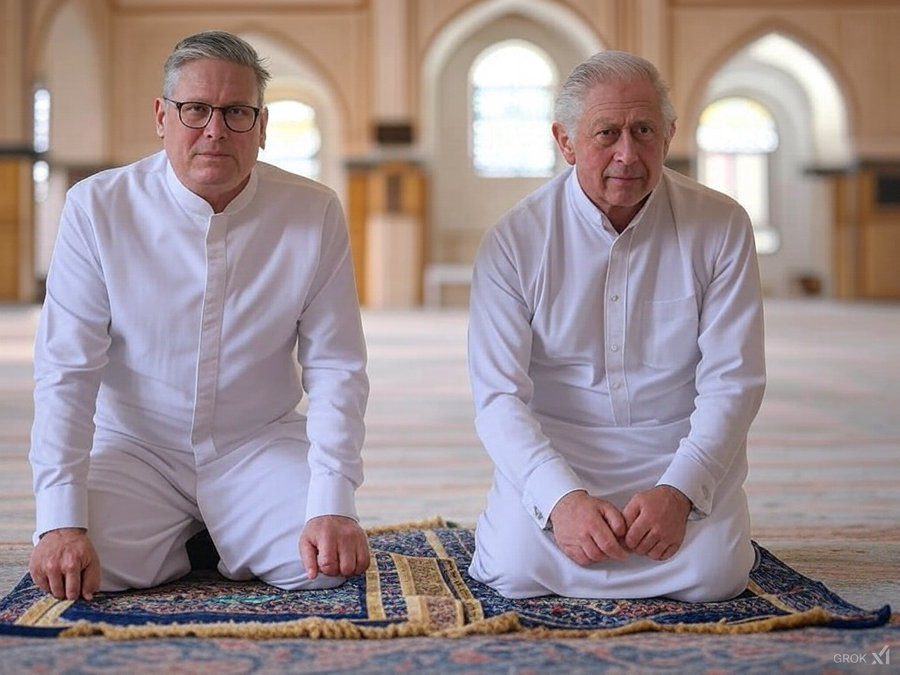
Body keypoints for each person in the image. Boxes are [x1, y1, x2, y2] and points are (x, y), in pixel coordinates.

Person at [29, 30, 370, 601]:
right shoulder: (98, 207)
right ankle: (207, 539)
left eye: (237, 112)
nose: (215, 130)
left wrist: (333, 502)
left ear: (262, 127)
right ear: (162, 117)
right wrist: (61, 521)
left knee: (325, 566)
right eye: (195, 110)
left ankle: (214, 532)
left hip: (257, 443)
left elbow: (338, 367)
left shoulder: (312, 211)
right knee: (79, 567)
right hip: (136, 448)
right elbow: (66, 370)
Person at [466, 51, 766, 602]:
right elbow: (498, 398)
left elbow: (734, 380)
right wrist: (561, 500)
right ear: (565, 142)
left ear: (669, 135)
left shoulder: (721, 225)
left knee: (714, 579)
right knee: (514, 572)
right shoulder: (515, 240)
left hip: (677, 449)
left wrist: (680, 489)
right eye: (607, 133)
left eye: (644, 131)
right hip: (559, 452)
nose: (627, 154)